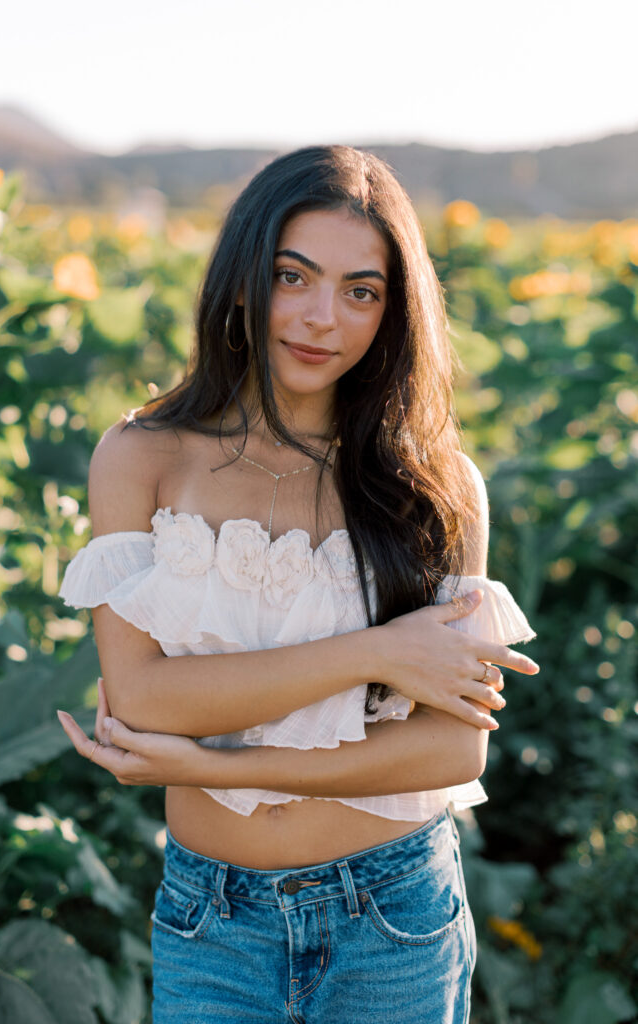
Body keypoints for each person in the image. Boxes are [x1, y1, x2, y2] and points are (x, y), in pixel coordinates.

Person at [56, 145, 538, 1023]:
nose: (323, 318)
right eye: (293, 276)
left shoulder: (437, 482)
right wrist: (380, 651)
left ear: (393, 312)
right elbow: (141, 699)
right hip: (214, 922)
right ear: (243, 278)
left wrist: (210, 763)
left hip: (394, 918)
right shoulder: (143, 457)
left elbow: (450, 753)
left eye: (361, 291)